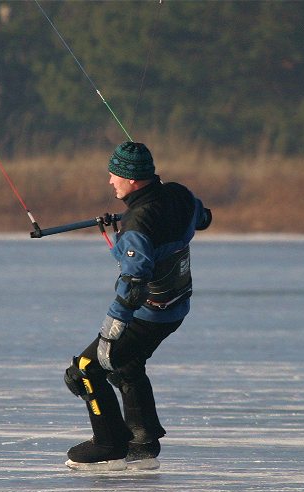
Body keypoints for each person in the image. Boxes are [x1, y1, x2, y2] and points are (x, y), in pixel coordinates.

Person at [64, 141, 212, 471]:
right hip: (176, 308)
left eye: (114, 175)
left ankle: (109, 445)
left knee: (85, 370)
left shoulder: (137, 225)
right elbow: (202, 217)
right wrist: (129, 220)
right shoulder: (179, 194)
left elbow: (133, 284)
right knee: (126, 365)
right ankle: (143, 444)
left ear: (131, 180)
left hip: (151, 312)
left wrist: (110, 332)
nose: (109, 181)